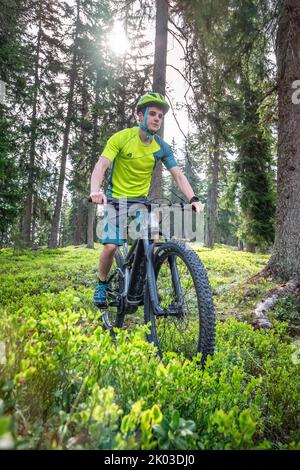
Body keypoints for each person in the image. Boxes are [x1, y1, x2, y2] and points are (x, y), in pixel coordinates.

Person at [90, 92, 204, 307]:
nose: (157, 119)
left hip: (142, 202)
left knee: (152, 242)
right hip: (116, 200)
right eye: (152, 114)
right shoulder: (121, 138)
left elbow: (178, 174)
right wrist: (96, 191)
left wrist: (194, 198)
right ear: (139, 117)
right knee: (111, 247)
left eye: (160, 116)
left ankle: (141, 283)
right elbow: (101, 165)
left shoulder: (161, 146)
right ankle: (102, 284)